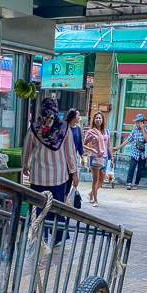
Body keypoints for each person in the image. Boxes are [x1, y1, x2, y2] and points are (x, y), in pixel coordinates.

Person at [23, 98, 78, 239]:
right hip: (59, 178)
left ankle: (40, 238)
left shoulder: (34, 128)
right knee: (57, 208)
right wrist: (74, 172)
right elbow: (70, 153)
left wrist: (25, 165)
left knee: (38, 209)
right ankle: (58, 237)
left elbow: (26, 149)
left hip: (38, 177)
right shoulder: (64, 128)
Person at [112, 113, 147, 190]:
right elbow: (128, 140)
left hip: (143, 153)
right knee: (132, 167)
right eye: (136, 122)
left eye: (139, 122)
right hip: (135, 152)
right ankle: (128, 183)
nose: (137, 124)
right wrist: (118, 147)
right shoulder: (134, 130)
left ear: (142, 122)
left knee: (140, 169)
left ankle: (136, 184)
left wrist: (143, 129)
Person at [83, 111, 112, 207]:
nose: (98, 120)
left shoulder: (106, 132)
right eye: (96, 118)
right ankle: (95, 200)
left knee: (101, 181)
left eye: (100, 118)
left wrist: (112, 158)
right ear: (94, 120)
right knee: (95, 180)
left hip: (104, 158)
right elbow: (84, 145)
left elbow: (109, 146)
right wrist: (91, 149)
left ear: (103, 120)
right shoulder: (90, 132)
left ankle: (91, 194)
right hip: (94, 157)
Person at [65, 108, 84, 197]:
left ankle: (65, 199)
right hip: (64, 159)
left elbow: (80, 144)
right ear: (73, 116)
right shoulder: (65, 128)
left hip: (73, 158)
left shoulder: (78, 129)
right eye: (78, 115)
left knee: (70, 180)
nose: (79, 117)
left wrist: (82, 156)